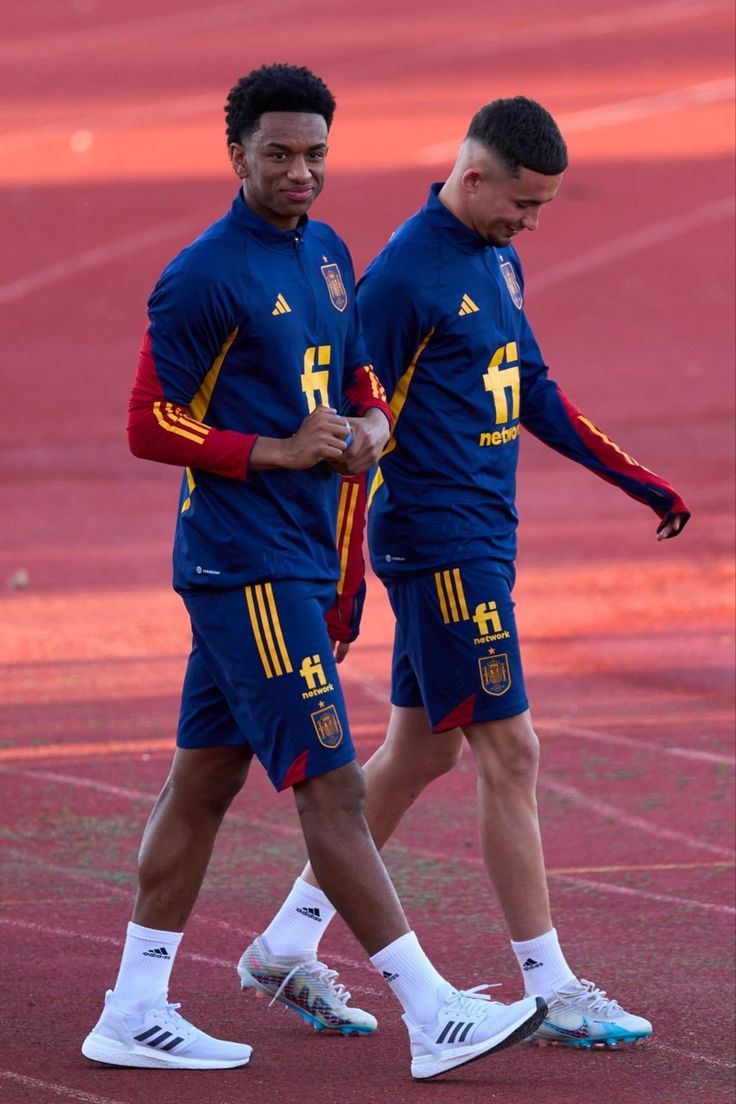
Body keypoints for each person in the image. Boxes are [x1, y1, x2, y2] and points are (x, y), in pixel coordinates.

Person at [80, 67, 547, 1081]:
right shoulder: (205, 275)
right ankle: (432, 1014)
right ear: (237, 154)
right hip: (242, 563)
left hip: (292, 559)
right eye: (280, 154)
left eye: (316, 154)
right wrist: (277, 450)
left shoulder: (329, 255)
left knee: (203, 782)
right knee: (332, 791)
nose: (301, 172)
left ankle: (132, 1007)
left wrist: (375, 420)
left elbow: (356, 375)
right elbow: (146, 421)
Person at [238, 95, 690, 1050]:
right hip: (441, 546)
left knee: (423, 751)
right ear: (473, 175)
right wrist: (345, 585)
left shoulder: (497, 256)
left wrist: (635, 478)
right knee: (510, 753)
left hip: (485, 535)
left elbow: (532, 387)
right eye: (522, 205)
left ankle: (286, 942)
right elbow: (360, 438)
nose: (530, 225)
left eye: (542, 212)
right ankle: (552, 984)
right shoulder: (403, 278)